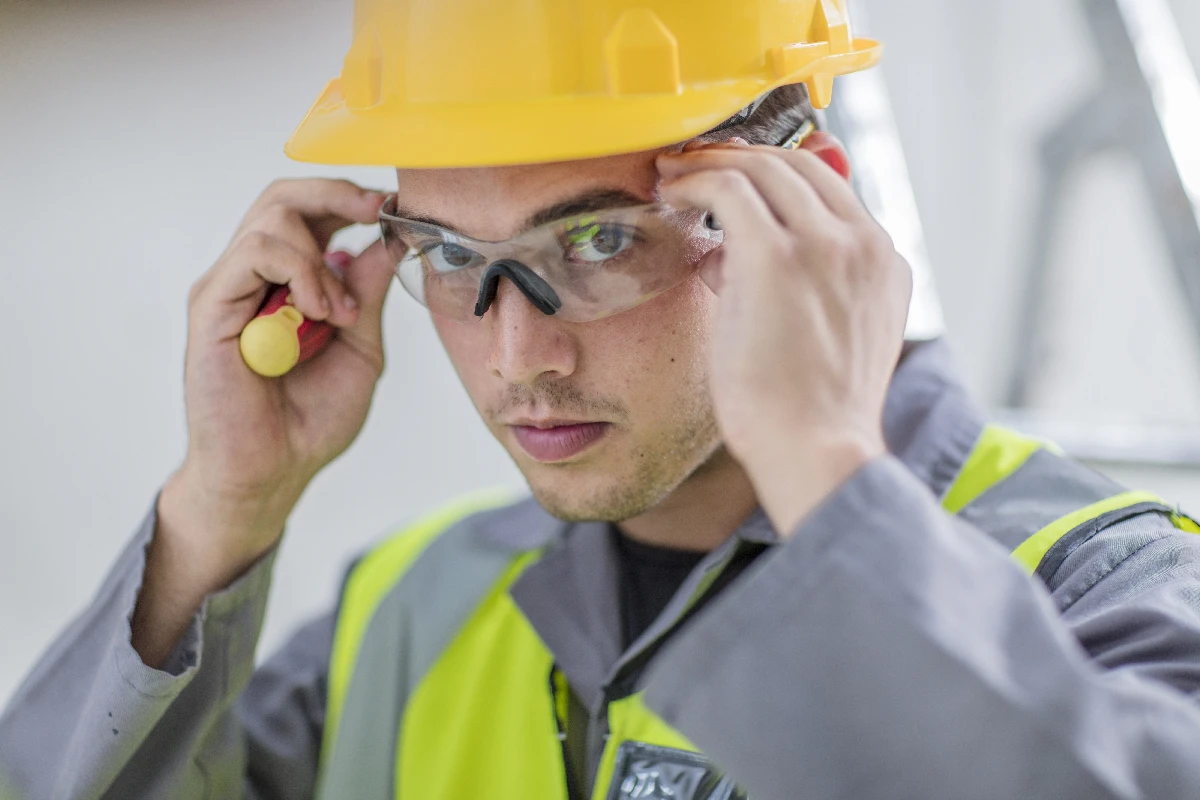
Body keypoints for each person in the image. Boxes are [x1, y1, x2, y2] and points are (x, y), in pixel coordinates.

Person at [5, 1, 1200, 798]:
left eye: (599, 237)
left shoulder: (1109, 592)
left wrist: (823, 461)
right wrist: (221, 506)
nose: (520, 353)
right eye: (453, 256)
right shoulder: (406, 616)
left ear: (804, 210)